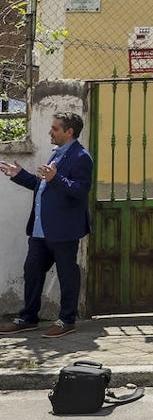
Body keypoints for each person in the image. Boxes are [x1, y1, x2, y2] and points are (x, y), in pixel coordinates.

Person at [0, 111, 93, 338]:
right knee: (32, 270)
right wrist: (19, 175)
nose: (50, 132)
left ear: (69, 132)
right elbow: (43, 185)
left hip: (63, 229)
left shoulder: (81, 157)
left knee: (66, 274)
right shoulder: (56, 154)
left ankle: (66, 320)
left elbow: (80, 191)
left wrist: (56, 179)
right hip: (41, 229)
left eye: (55, 128)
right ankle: (28, 317)